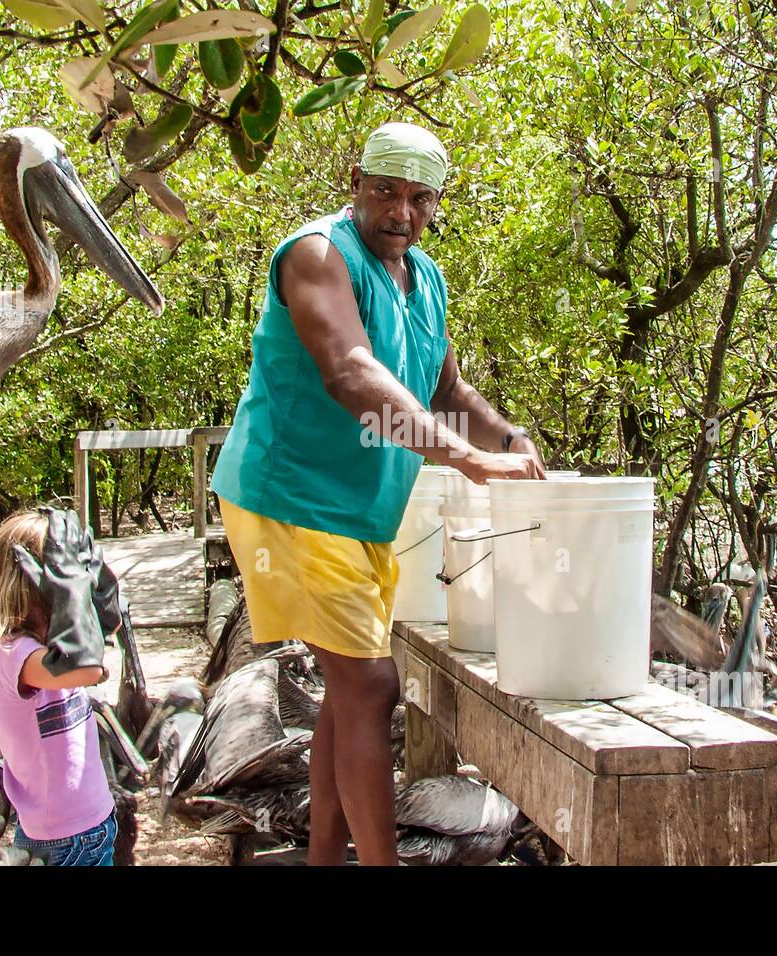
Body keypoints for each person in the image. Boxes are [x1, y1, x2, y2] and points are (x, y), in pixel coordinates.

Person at [211, 121, 546, 865]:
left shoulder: (424, 280)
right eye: (385, 192)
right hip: (291, 495)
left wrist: (509, 439)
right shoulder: (318, 255)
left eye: (419, 198)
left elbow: (448, 387)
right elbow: (349, 371)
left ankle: (328, 857)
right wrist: (466, 461)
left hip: (359, 509)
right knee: (370, 683)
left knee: (349, 685)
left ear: (435, 204)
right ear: (356, 183)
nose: (400, 212)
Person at [0, 509, 119, 866]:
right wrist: (71, 588)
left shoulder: (32, 650)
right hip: (70, 839)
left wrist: (101, 601)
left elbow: (97, 646)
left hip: (77, 828)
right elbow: (86, 667)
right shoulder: (9, 654)